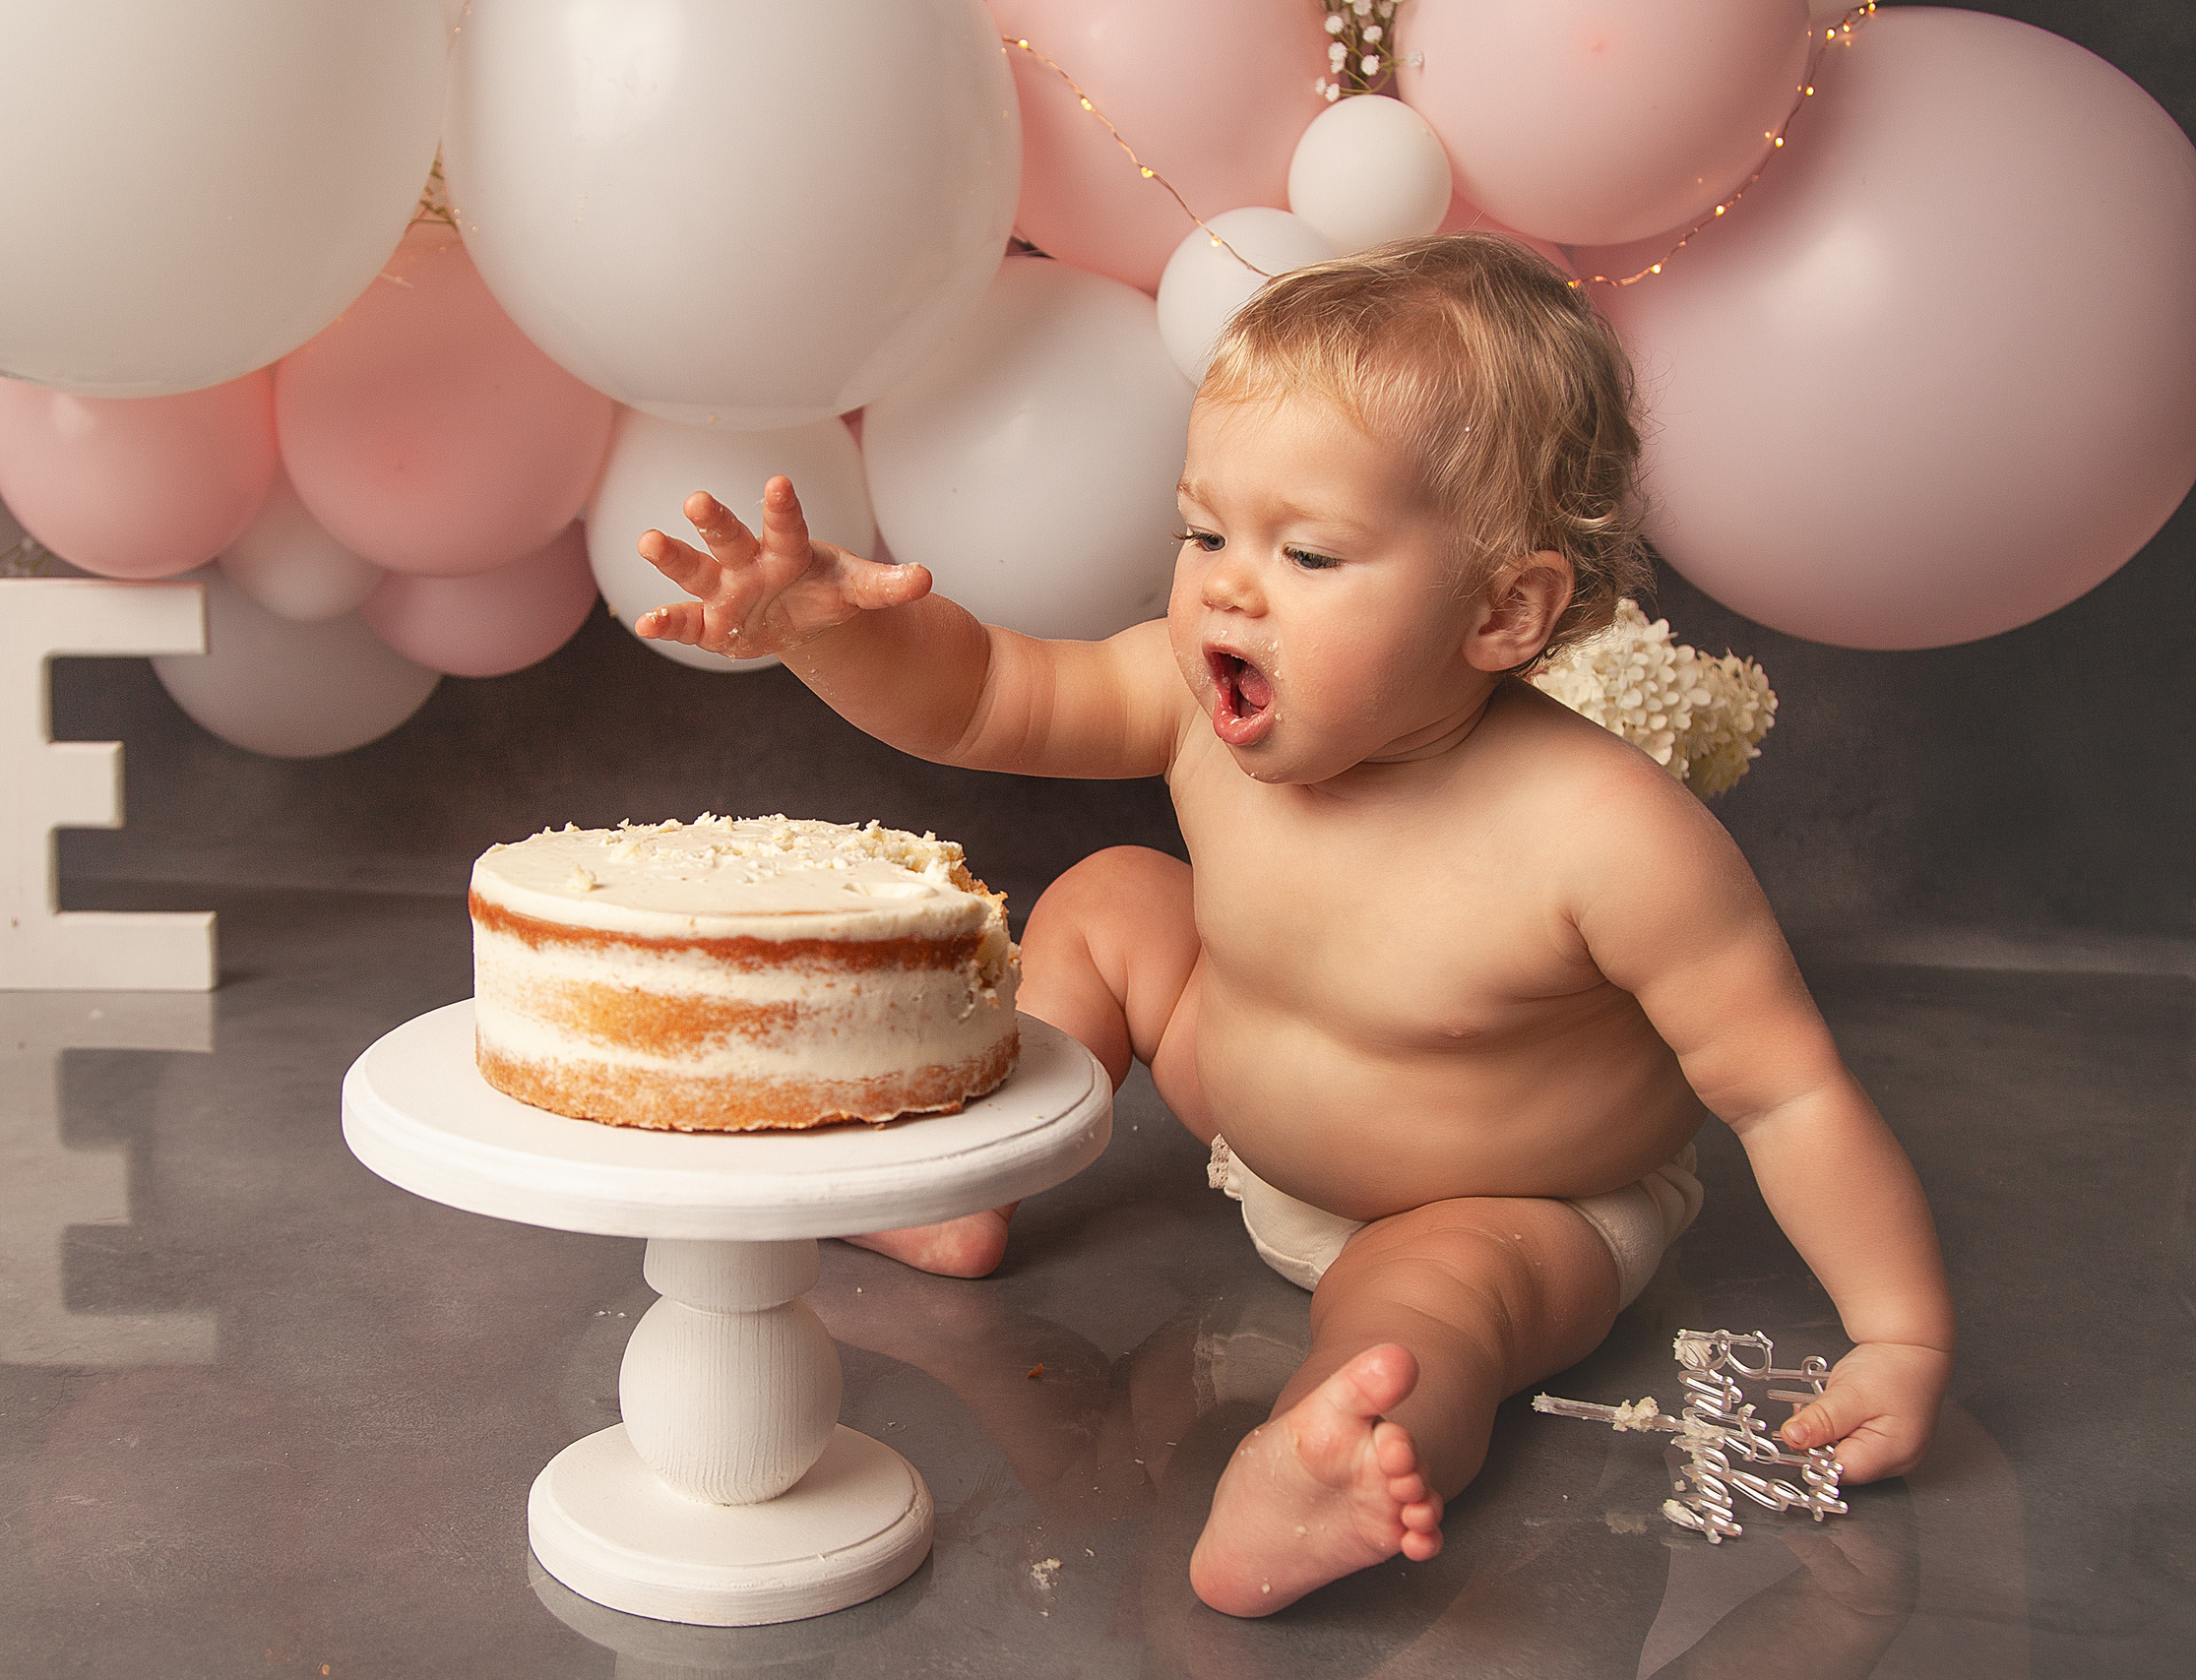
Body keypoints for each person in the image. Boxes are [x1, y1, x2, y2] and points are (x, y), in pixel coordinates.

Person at [629, 234, 1954, 1617]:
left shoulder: (1607, 840)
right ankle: (966, 1193)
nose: (1227, 588)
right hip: (1248, 1097)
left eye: (1308, 551)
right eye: (1207, 530)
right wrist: (831, 631)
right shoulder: (1199, 701)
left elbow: (1787, 1090)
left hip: (1497, 1199)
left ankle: (1322, 1463)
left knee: (1427, 1318)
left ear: (1504, 610)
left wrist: (1899, 1336)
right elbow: (985, 698)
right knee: (1111, 901)